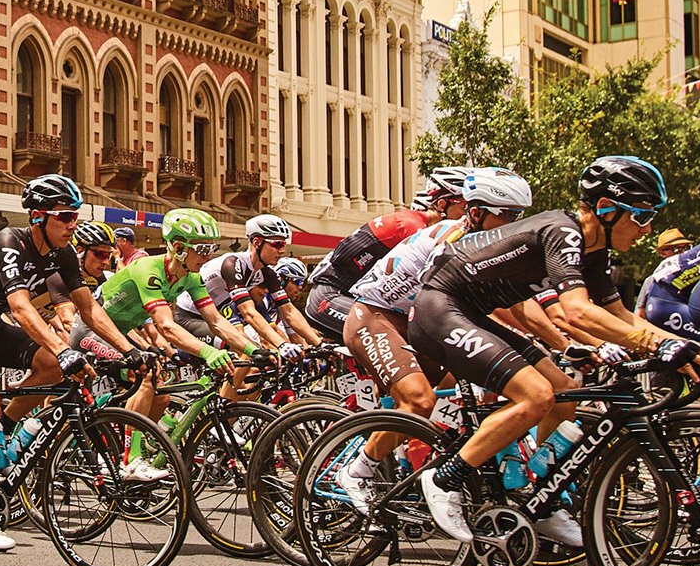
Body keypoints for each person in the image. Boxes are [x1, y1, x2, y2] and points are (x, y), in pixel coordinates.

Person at [408, 156, 700, 550]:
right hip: (439, 308)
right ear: (606, 208)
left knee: (563, 391)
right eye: (641, 216)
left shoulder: (593, 248)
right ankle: (445, 477)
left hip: (470, 313)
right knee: (536, 395)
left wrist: (693, 344)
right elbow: (577, 310)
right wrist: (657, 344)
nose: (647, 229)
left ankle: (542, 496)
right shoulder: (563, 230)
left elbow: (617, 314)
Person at [0, 174, 151, 551]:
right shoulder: (8, 243)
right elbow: (20, 308)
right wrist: (65, 349)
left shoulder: (63, 253)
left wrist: (128, 350)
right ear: (37, 217)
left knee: (50, 366)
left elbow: (89, 307)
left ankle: (3, 426)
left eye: (75, 216)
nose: (73, 225)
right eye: (65, 217)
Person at [333, 167, 535, 512]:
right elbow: (463, 305)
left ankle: (425, 456)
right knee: (418, 401)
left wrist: (554, 339)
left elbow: (516, 303)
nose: (515, 223)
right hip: (376, 316)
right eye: (509, 216)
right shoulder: (452, 241)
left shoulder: (487, 244)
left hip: (417, 324)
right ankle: (357, 470)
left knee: (485, 384)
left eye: (520, 216)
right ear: (476, 213)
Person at [64, 208, 277, 480]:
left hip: (120, 334)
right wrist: (209, 351)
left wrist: (255, 350)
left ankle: (137, 446)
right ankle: (130, 461)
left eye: (212, 247)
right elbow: (165, 325)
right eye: (201, 248)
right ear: (177, 247)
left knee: (162, 394)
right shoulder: (148, 269)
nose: (208, 255)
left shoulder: (190, 277)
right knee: (145, 376)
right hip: (88, 333)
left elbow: (216, 322)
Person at [302, 167, 467, 337]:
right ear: (442, 205)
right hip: (329, 298)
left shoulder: (415, 222)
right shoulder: (412, 227)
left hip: (348, 296)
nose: (467, 215)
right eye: (464, 207)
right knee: (403, 335)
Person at [171, 213, 304, 398]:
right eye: (277, 244)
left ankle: (233, 415)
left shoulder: (265, 274)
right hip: (190, 318)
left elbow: (289, 311)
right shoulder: (232, 264)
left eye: (284, 244)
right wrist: (281, 345)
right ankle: (220, 412)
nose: (282, 250)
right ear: (257, 242)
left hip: (214, 316)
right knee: (247, 352)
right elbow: (248, 312)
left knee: (253, 370)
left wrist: (317, 345)